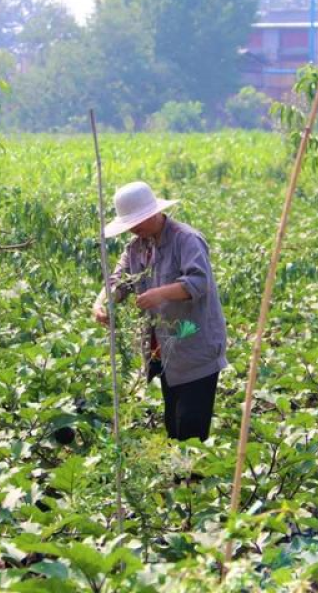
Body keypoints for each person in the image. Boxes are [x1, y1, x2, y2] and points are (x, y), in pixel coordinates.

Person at [93, 181, 226, 442]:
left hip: (194, 349)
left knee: (190, 427)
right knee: (172, 425)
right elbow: (117, 281)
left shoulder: (186, 239)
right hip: (162, 351)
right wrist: (100, 303)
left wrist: (160, 293)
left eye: (139, 220)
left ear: (155, 212)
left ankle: (191, 480)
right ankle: (178, 480)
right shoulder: (136, 247)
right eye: (130, 223)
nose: (134, 228)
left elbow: (199, 283)